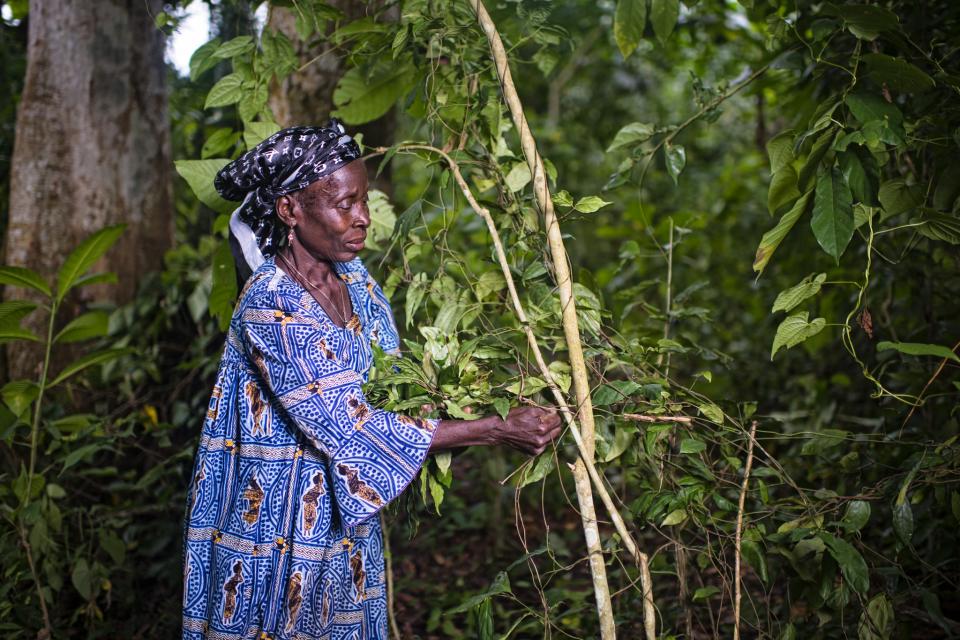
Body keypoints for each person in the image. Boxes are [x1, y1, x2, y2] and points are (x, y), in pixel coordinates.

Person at [181, 121, 562, 640]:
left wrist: (482, 399)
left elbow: (393, 387)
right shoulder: (271, 305)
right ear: (290, 210)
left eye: (365, 200)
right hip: (272, 528)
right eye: (345, 205)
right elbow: (355, 430)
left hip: (340, 523)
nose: (363, 219)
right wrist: (496, 429)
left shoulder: (355, 281)